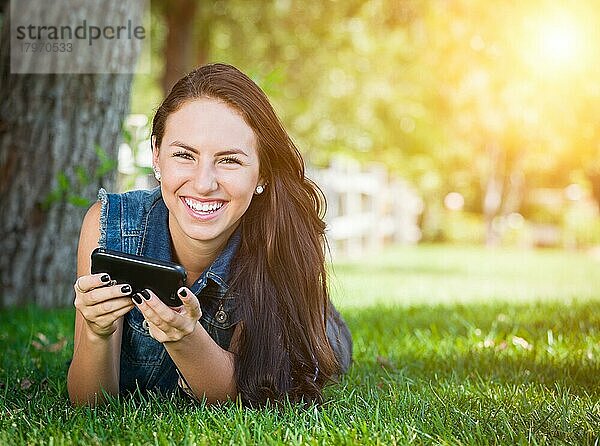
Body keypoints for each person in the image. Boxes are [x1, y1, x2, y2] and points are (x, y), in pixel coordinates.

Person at [67, 63, 352, 407]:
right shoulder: (108, 225)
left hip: (308, 321)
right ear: (157, 155)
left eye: (229, 160)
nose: (203, 184)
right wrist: (98, 333)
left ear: (262, 171)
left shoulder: (282, 241)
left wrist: (185, 337)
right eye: (184, 155)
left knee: (322, 357)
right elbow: (89, 404)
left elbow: (251, 395)